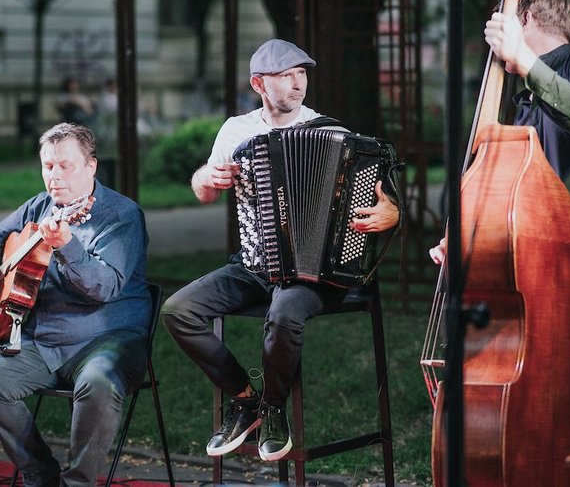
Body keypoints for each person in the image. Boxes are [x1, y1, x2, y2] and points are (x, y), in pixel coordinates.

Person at [432, 0, 570, 462]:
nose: (495, 35)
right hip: (546, 263)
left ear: (525, 20)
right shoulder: (526, 100)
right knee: (546, 391)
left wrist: (524, 62)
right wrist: (468, 234)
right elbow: (513, 191)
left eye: (504, 21)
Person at [160, 38, 400, 462]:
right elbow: (203, 191)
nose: (296, 84)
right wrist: (207, 177)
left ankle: (273, 409)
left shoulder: (331, 131)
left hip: (317, 271)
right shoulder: (237, 131)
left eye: (301, 74)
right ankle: (246, 399)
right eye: (285, 76)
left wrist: (389, 214)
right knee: (178, 310)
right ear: (259, 83)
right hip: (253, 264)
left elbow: (386, 200)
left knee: (284, 313)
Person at [0, 122, 150, 487]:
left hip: (108, 337)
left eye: (65, 166)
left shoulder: (121, 215)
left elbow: (104, 287)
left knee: (98, 382)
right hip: (45, 340)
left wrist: (67, 246)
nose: (55, 176)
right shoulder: (40, 206)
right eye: (48, 166)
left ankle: (79, 482)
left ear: (91, 166)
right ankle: (42, 475)